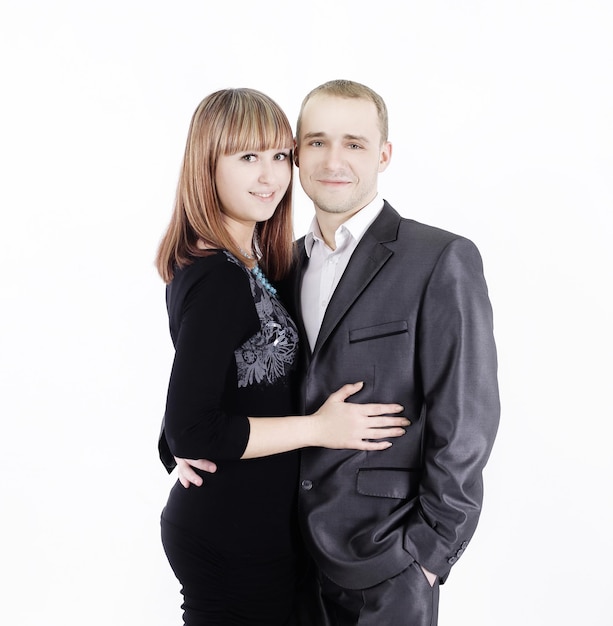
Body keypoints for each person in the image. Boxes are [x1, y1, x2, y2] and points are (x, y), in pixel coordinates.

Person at [176, 80, 501, 625]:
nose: (333, 160)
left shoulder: (439, 258)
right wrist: (181, 440)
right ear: (298, 154)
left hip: (385, 563)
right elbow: (234, 376)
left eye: (354, 143)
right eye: (317, 142)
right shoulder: (280, 266)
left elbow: (467, 420)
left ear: (384, 154)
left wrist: (429, 553)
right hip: (282, 557)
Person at [155, 87, 409, 626]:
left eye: (280, 156)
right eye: (248, 157)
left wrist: (175, 441)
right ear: (208, 164)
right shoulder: (217, 277)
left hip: (262, 533)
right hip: (232, 538)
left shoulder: (252, 265)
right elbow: (191, 427)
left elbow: (204, 394)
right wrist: (320, 428)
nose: (270, 176)